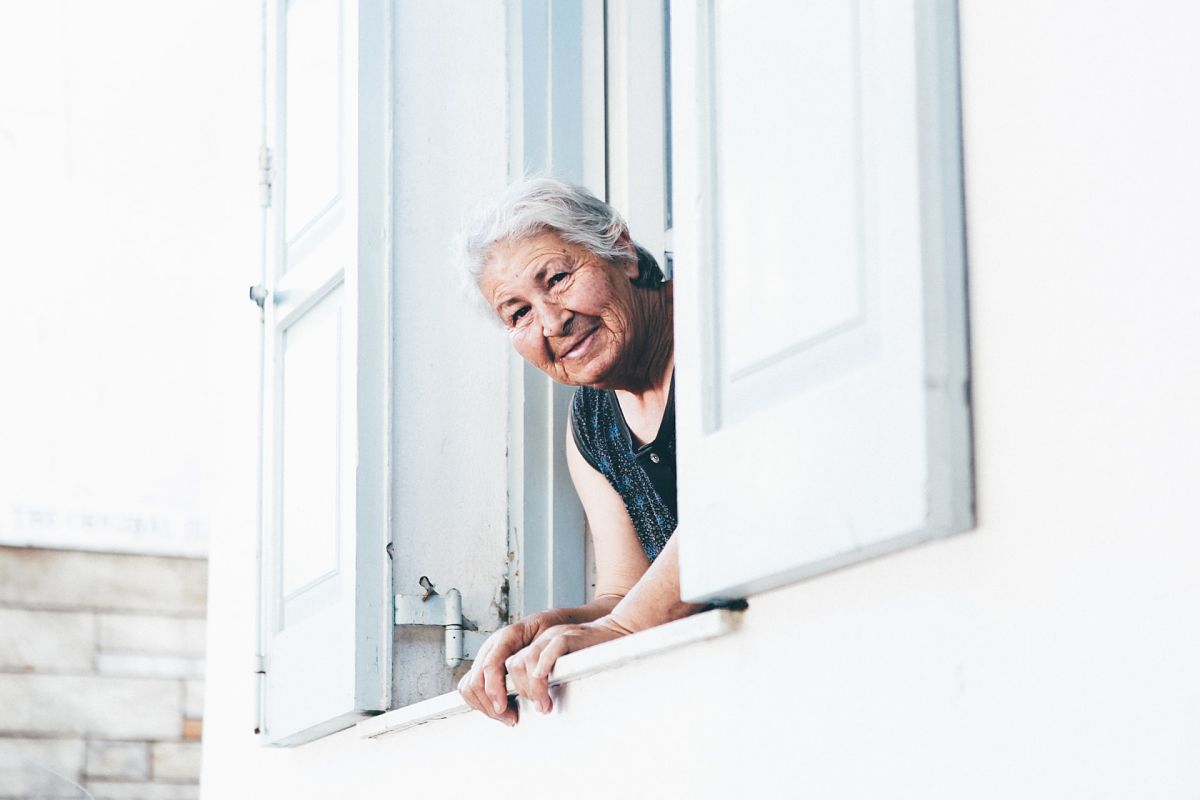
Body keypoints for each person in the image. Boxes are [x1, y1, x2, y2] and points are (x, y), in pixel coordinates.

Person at [457, 177, 702, 726]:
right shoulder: (592, 425)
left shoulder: (718, 328)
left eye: (559, 278)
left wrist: (621, 630)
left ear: (621, 251)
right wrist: (536, 632)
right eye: (518, 312)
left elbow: (741, 494)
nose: (551, 322)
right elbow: (624, 592)